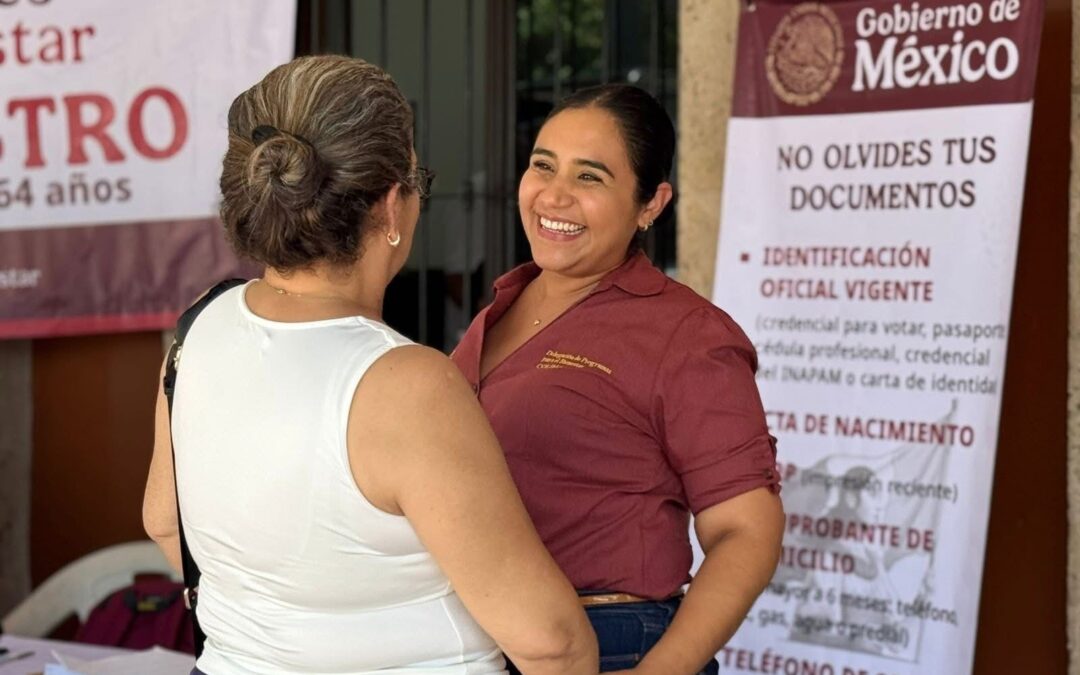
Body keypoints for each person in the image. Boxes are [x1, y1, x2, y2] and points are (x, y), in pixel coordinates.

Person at [142, 55, 597, 675]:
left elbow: (163, 522)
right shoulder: (407, 385)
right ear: (389, 206)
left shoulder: (201, 324)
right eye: (417, 180)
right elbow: (551, 644)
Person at [451, 84, 785, 674]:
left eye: (590, 177)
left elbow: (746, 531)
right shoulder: (502, 305)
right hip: (484, 639)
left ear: (651, 204)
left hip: (608, 641)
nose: (554, 195)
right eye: (543, 166)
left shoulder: (685, 333)